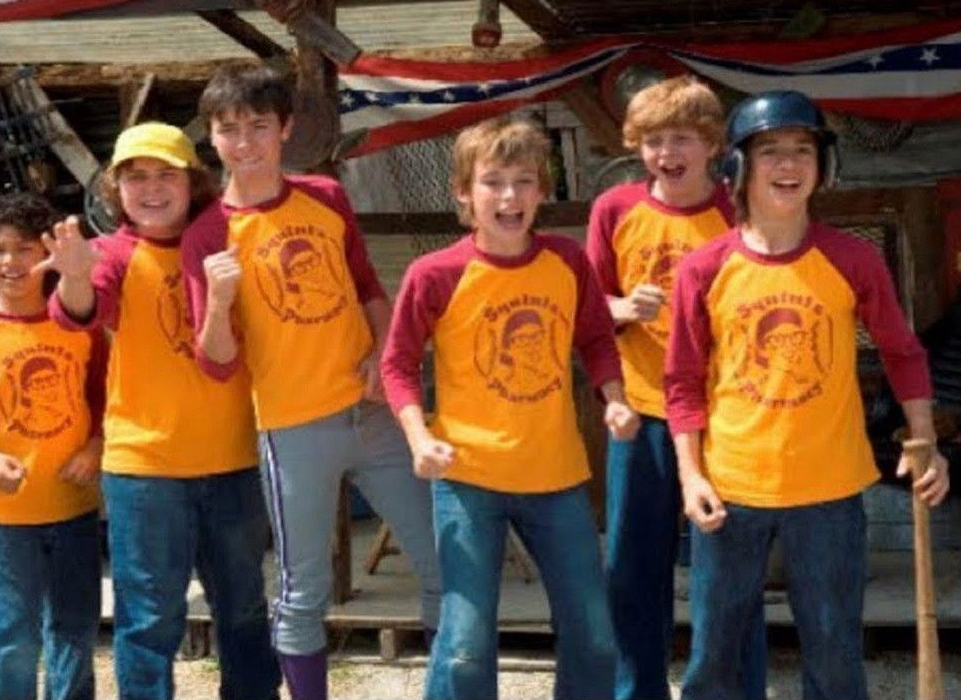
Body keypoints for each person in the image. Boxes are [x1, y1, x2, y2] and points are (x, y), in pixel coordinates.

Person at [665, 90, 950, 700]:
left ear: (824, 167)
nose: (789, 164)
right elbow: (682, 380)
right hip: (730, 490)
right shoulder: (703, 268)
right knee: (713, 660)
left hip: (829, 491)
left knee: (835, 657)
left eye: (803, 151)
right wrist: (691, 476)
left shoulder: (852, 259)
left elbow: (903, 353)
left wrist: (924, 439)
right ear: (738, 167)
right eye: (771, 151)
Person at [181, 61, 441, 700]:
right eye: (229, 129)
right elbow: (216, 362)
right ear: (211, 137)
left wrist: (384, 355)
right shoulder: (207, 233)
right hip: (293, 428)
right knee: (304, 589)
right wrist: (218, 301)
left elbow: (367, 286)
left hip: (372, 412)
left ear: (286, 129)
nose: (245, 143)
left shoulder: (325, 196)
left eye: (258, 126)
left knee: (442, 561)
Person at [382, 116, 639, 700]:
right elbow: (397, 365)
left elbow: (596, 339)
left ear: (542, 190)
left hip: (556, 476)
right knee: (466, 647)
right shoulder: (435, 274)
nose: (509, 196)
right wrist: (419, 438)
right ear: (463, 193)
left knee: (595, 636)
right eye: (493, 181)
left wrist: (615, 399)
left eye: (524, 181)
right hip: (467, 478)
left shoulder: (567, 261)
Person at [45, 122, 281, 700]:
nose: (151, 189)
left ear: (192, 182)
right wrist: (73, 276)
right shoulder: (113, 253)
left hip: (233, 458)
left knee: (244, 610)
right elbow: (81, 311)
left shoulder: (230, 239)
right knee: (149, 620)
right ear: (116, 190)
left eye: (165, 175)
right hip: (144, 469)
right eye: (135, 178)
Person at [585, 75, 766, 700]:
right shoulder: (614, 210)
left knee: (730, 572)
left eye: (683, 138)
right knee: (633, 568)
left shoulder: (739, 210)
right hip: (641, 413)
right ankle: (636, 690)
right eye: (654, 140)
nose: (668, 152)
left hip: (725, 418)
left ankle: (732, 690)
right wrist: (619, 308)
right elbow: (586, 311)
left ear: (713, 144)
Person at [0, 193, 107, 700]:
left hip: (73, 504)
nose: (11, 261)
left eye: (24, 248)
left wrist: (95, 447)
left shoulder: (80, 325)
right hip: (2, 513)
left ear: (49, 254)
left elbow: (106, 398)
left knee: (75, 628)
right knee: (12, 633)